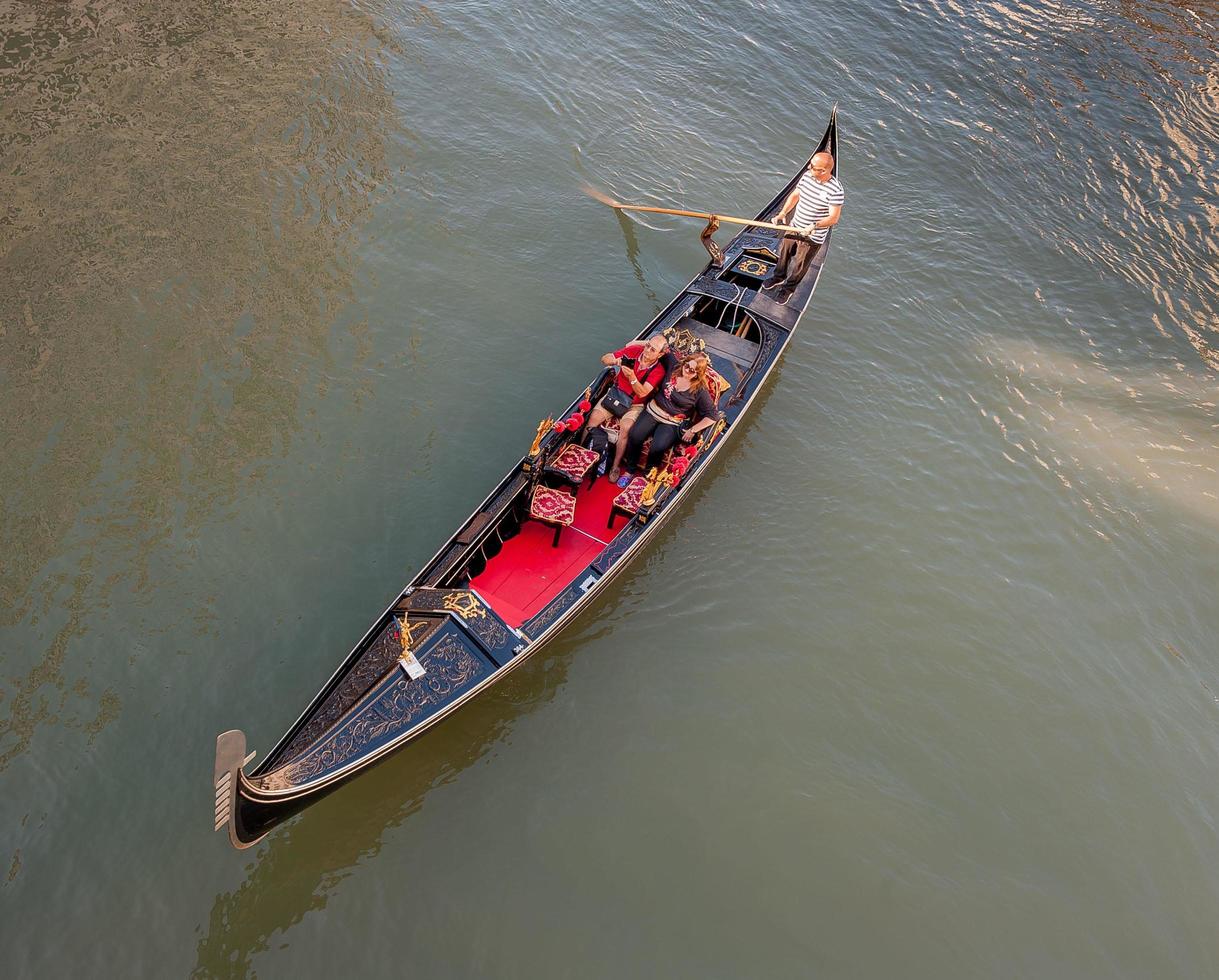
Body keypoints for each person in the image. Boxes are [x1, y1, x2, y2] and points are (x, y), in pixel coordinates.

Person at [762, 151, 844, 304]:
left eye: (812, 166)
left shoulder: (836, 191)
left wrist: (814, 225)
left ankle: (788, 289)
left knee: (800, 264)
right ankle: (778, 277)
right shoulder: (807, 176)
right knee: (784, 253)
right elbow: (795, 195)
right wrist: (783, 213)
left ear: (824, 171)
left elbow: (834, 218)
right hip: (794, 226)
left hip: (812, 236)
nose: (808, 167)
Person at [587, 334, 669, 480]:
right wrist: (615, 360)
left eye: (652, 349)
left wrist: (631, 377)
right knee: (593, 418)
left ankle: (615, 467)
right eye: (648, 345)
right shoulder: (634, 351)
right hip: (615, 395)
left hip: (634, 405)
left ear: (660, 354)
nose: (647, 350)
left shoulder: (659, 371)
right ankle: (584, 455)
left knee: (625, 428)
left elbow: (643, 391)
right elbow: (604, 359)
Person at [621, 352, 718, 476]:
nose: (687, 371)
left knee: (658, 447)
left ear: (698, 374)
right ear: (684, 363)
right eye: (687, 366)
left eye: (692, 371)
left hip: (672, 422)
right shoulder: (674, 366)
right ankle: (630, 470)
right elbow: (660, 349)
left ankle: (648, 474)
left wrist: (693, 430)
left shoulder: (700, 390)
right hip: (653, 411)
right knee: (635, 435)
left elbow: (712, 415)